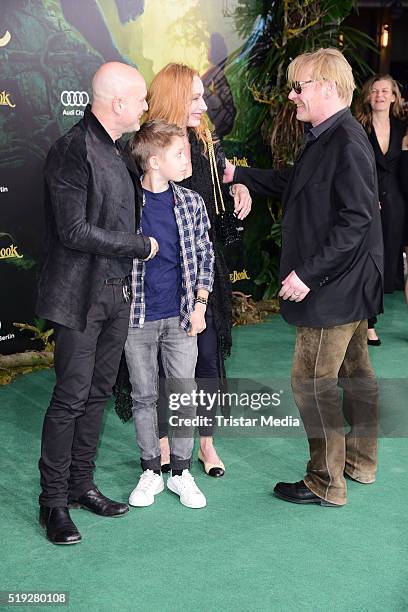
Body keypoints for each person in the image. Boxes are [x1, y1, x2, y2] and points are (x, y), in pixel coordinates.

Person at [224, 48, 383, 507]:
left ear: (328, 88)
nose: (293, 96)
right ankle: (359, 463)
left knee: (311, 381)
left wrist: (308, 275)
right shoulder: (329, 135)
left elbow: (355, 220)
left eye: (300, 86)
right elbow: (300, 182)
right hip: (349, 284)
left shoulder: (346, 142)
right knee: (356, 375)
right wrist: (243, 174)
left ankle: (325, 481)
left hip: (334, 286)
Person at [36, 62, 158, 545]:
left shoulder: (118, 150)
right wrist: (139, 245)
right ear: (119, 103)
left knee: (97, 395)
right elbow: (73, 232)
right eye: (142, 99)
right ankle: (52, 504)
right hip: (80, 297)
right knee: (69, 398)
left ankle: (81, 485)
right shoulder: (71, 150)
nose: (146, 107)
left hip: (116, 295)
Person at [114, 63, 251, 476]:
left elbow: (218, 226)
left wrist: (235, 189)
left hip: (201, 280)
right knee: (154, 370)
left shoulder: (207, 146)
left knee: (205, 361)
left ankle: (203, 445)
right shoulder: (136, 151)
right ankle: (159, 450)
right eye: (194, 97)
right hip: (151, 286)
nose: (204, 104)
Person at [125, 119, 214, 509]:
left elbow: (206, 257)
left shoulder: (191, 203)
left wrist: (200, 305)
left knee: (183, 394)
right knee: (143, 396)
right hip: (137, 318)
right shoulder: (128, 205)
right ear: (154, 162)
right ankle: (150, 469)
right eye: (179, 154)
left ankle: (180, 472)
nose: (187, 159)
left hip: (182, 317)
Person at [355, 74, 408, 345]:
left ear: (394, 96)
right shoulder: (358, 127)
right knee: (369, 262)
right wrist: (367, 196)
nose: (379, 95)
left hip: (396, 204)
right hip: (367, 201)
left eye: (385, 91)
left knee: (387, 264)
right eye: (374, 91)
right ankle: (369, 324)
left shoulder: (402, 127)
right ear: (367, 96)